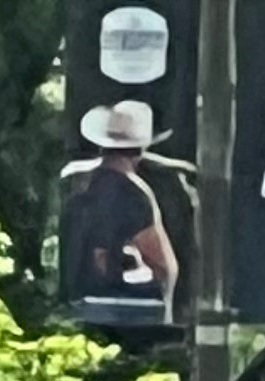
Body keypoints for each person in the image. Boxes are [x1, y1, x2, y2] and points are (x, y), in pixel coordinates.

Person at [61, 101, 191, 325]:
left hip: (75, 304)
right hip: (122, 312)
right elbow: (164, 266)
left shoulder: (76, 181)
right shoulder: (135, 192)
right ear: (140, 149)